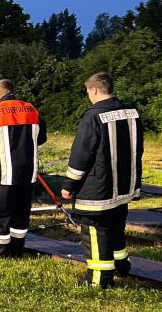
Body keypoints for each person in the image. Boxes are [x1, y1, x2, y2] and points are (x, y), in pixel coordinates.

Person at [61, 72, 143, 288]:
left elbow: (81, 155)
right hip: (124, 186)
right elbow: (138, 148)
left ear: (95, 90)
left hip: (99, 189)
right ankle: (121, 265)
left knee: (95, 232)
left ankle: (99, 279)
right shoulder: (131, 112)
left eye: (88, 91)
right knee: (116, 226)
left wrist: (69, 185)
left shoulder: (93, 116)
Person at [0, 79, 46, 258]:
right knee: (21, 212)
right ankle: (17, 248)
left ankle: (0, 251)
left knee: (1, 213)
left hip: (2, 172)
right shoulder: (31, 109)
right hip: (27, 172)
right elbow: (41, 138)